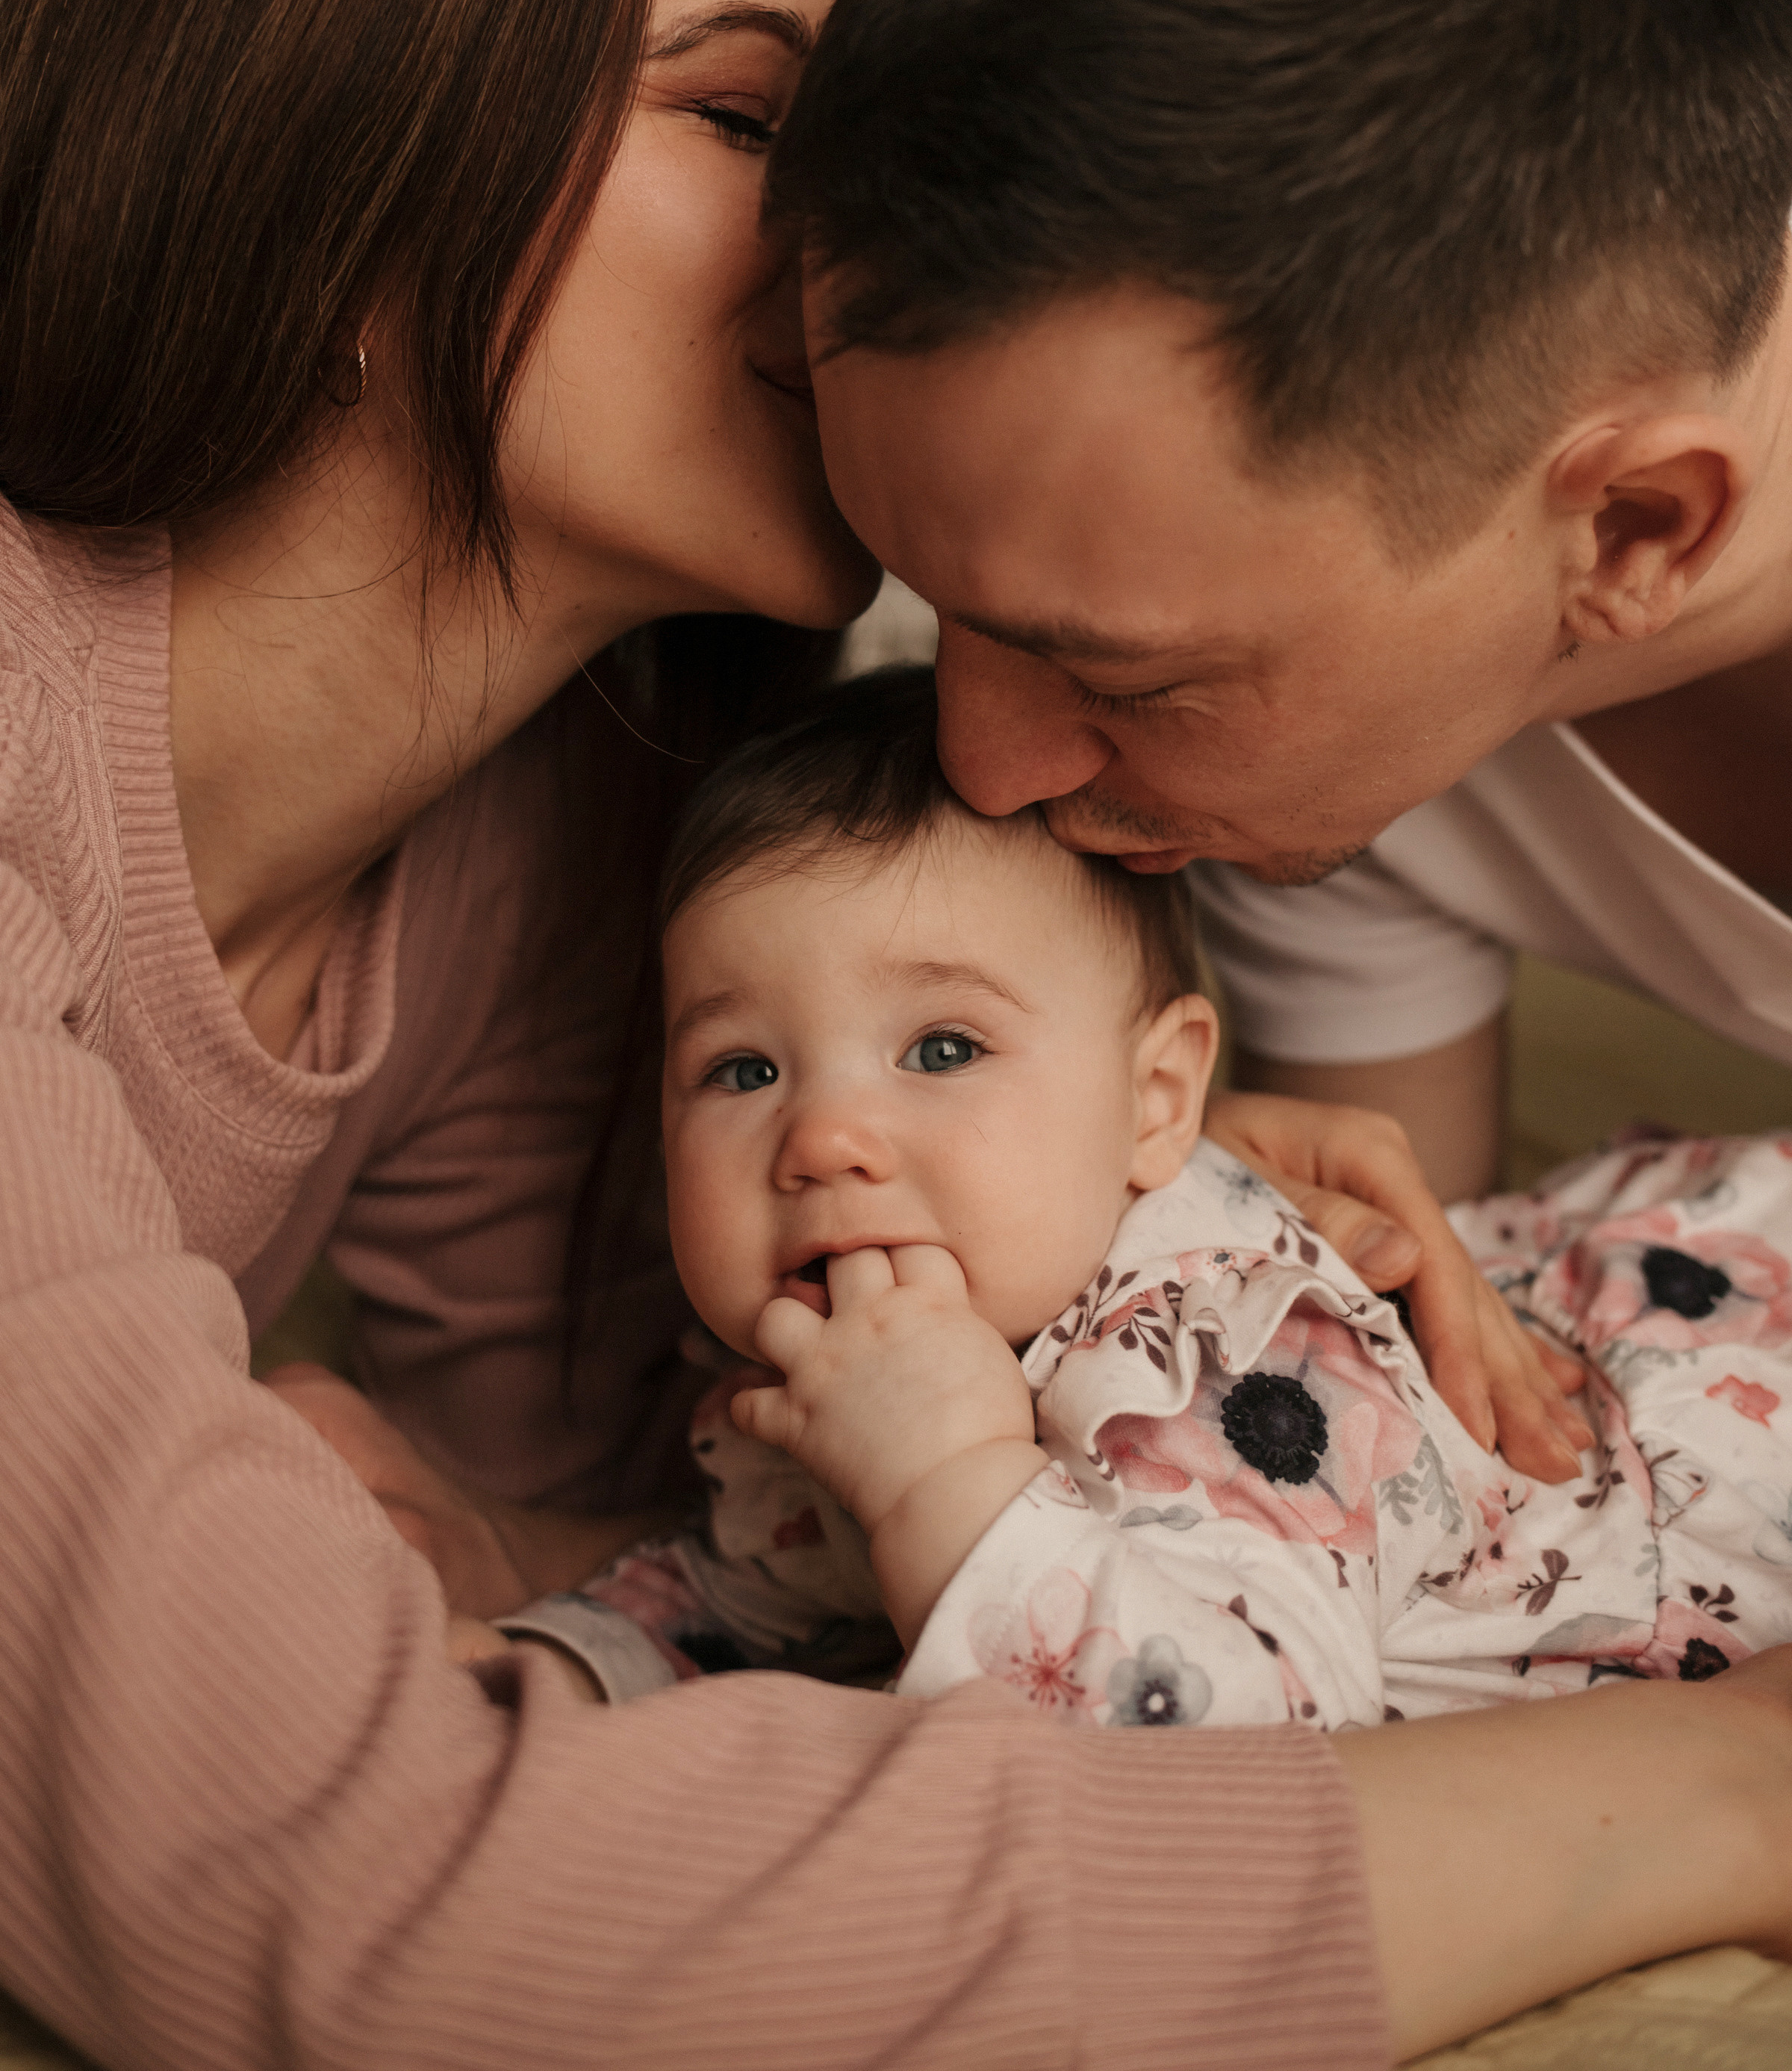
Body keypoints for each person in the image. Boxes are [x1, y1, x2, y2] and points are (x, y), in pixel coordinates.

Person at [0, 0, 1788, 2071]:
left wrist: (1091, 1215)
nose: (864, 252)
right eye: (754, 117)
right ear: (321, 144)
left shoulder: (562, 855)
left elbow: (738, 1544)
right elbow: (350, 1879)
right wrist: (1710, 1791)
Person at [772, 0, 1792, 1221]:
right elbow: (1399, 1343)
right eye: (941, 610)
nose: (982, 767)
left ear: (1638, 526)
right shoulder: (1343, 767)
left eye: (1130, 679)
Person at [508, 667, 1788, 1733]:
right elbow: (757, 1589)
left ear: (1160, 1099)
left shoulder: (1222, 1375)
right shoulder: (853, 1368)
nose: (825, 1139)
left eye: (943, 1049)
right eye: (742, 1069)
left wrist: (945, 1482)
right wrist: (563, 1673)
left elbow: (1237, 1748)